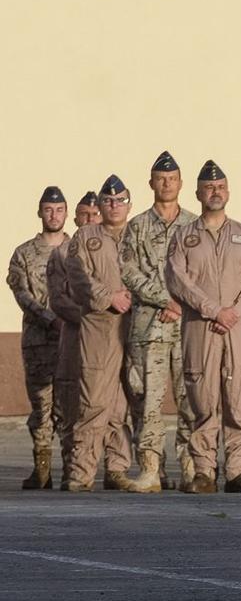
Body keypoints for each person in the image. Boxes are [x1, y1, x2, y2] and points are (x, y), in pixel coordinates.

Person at [165, 161, 241, 493]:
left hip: (237, 329)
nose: (216, 192)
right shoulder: (184, 236)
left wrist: (235, 312)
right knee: (203, 399)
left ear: (228, 191)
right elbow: (176, 279)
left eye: (221, 187)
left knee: (239, 401)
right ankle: (203, 472)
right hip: (201, 328)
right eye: (210, 187)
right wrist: (213, 310)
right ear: (198, 193)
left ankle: (237, 471)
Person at [120, 150, 197, 492]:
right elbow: (128, 271)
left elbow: (203, 274)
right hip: (148, 327)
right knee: (147, 400)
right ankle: (151, 469)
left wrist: (181, 302)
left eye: (172, 179)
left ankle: (193, 467)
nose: (166, 183)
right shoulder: (136, 226)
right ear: (151, 183)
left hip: (187, 328)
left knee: (190, 397)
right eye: (160, 179)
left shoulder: (194, 226)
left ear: (181, 184)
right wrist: (166, 298)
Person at [63, 175, 138, 492]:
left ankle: (118, 468)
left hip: (135, 325)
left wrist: (138, 295)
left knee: (125, 403)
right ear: (100, 205)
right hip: (100, 325)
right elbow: (78, 275)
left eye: (120, 200)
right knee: (93, 401)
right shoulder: (85, 236)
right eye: (108, 201)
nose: (114, 205)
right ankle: (81, 473)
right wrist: (110, 297)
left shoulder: (140, 234)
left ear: (128, 204)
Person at [51, 191, 114, 488]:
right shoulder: (61, 254)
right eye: (84, 215)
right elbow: (59, 300)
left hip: (109, 337)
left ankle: (114, 468)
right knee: (72, 402)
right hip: (75, 338)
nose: (89, 219)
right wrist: (90, 315)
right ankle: (73, 467)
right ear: (75, 218)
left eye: (94, 214)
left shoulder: (114, 247)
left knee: (112, 404)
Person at [8, 185, 68, 489]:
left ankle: (73, 469)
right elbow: (21, 293)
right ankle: (42, 469)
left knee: (69, 406)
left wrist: (69, 320)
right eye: (48, 209)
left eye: (59, 210)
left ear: (66, 213)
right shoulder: (23, 253)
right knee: (41, 406)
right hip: (38, 342)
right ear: (40, 212)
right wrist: (49, 318)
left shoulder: (79, 249)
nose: (54, 215)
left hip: (71, 341)